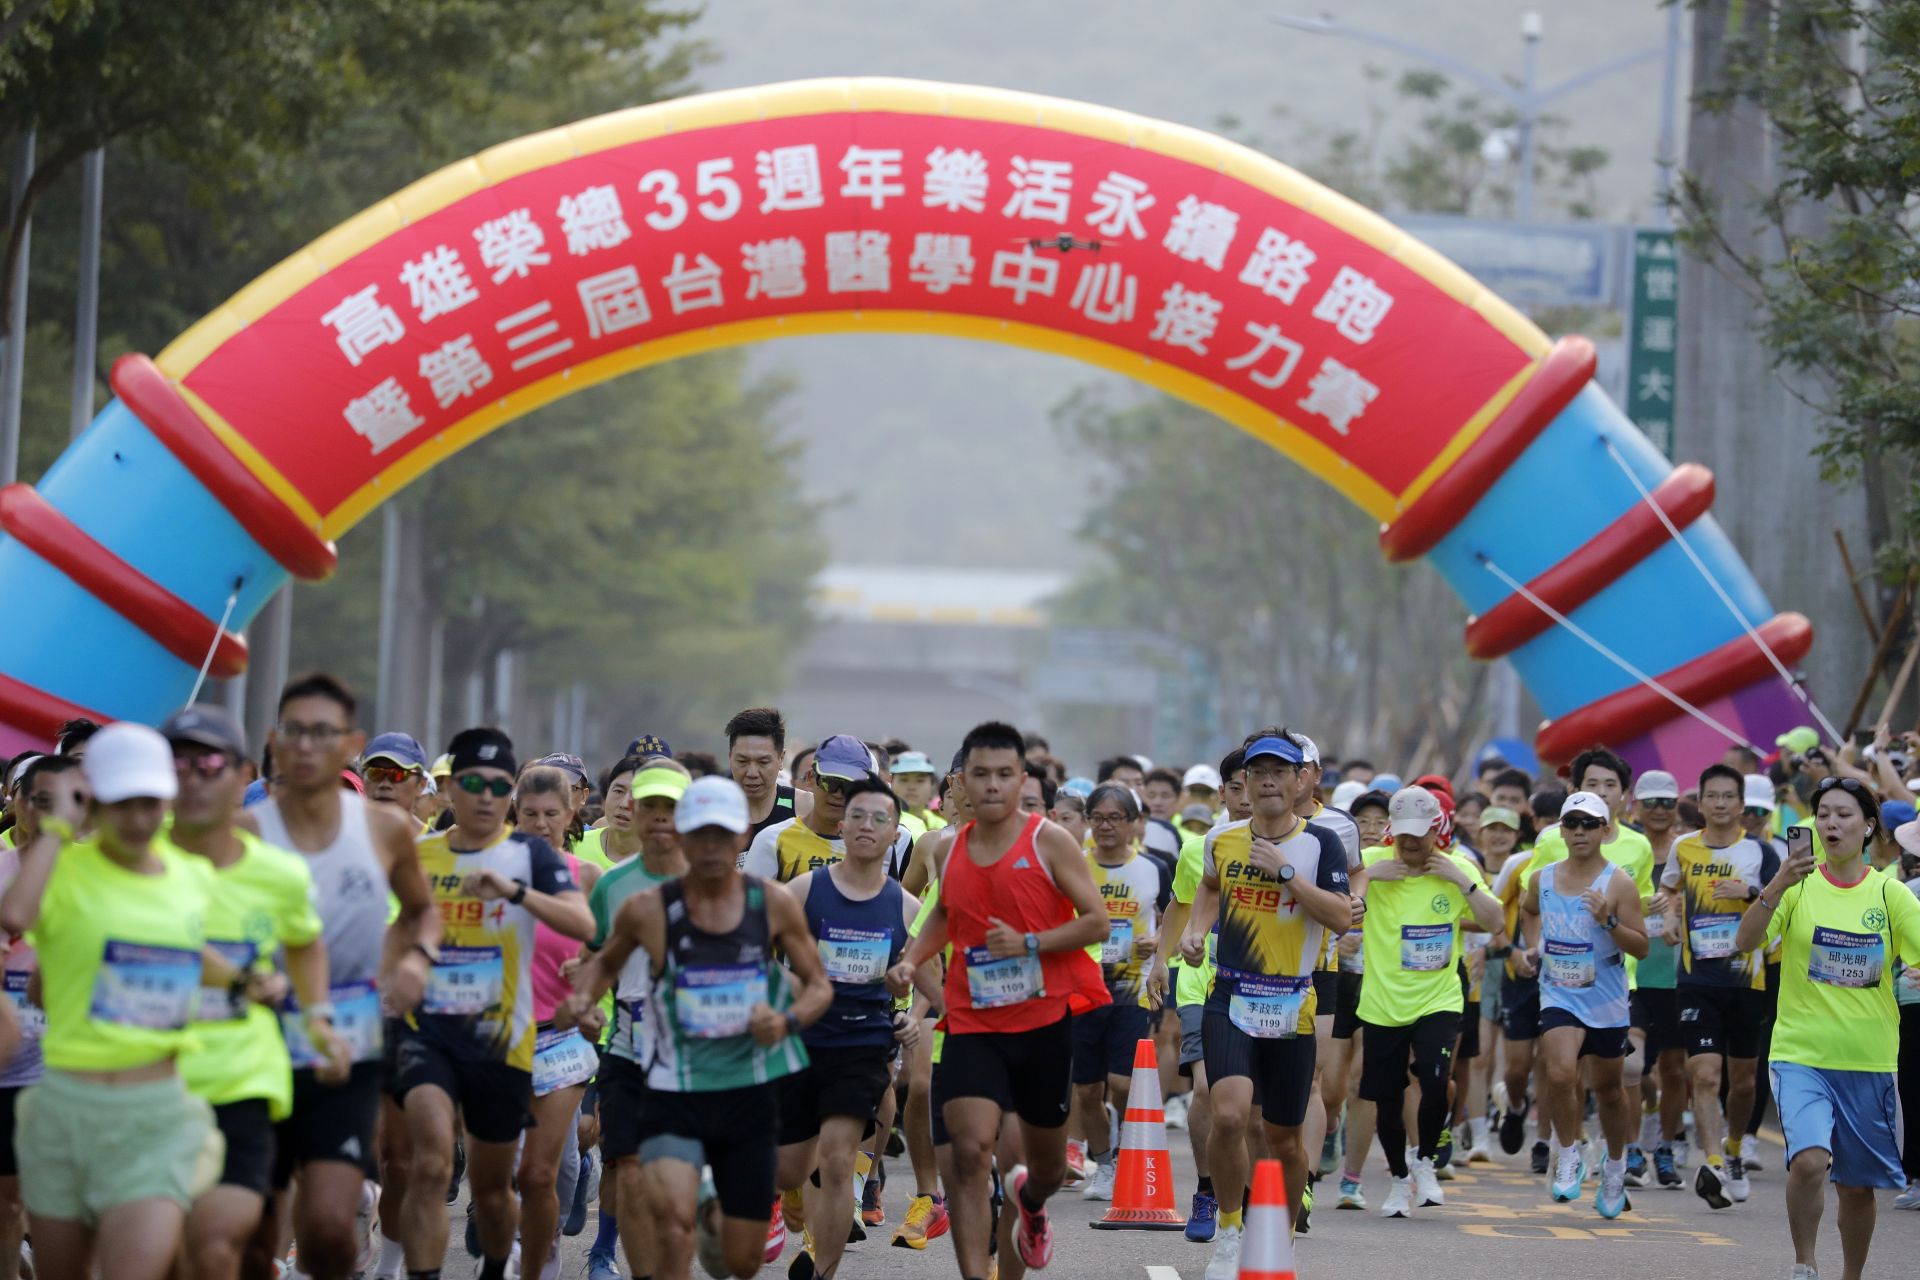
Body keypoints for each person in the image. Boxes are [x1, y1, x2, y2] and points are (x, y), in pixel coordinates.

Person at [557, 776, 833, 1280]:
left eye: (721, 835)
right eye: (699, 834)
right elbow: (600, 963)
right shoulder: (647, 909)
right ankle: (693, 1206)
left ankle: (713, 1207)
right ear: (682, 835)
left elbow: (818, 986)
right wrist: (581, 1002)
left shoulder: (771, 903)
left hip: (745, 1088)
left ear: (742, 837)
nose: (710, 848)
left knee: (742, 1262)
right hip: (671, 1085)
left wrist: (786, 1020)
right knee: (668, 1221)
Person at [887, 721, 1110, 1280]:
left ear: (1021, 780)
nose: (991, 786)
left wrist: (1031, 943)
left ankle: (1031, 1207)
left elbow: (1098, 922)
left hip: (1041, 1025)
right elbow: (943, 912)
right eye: (980, 775)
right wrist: (914, 959)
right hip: (972, 1022)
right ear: (961, 783)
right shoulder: (948, 845)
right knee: (968, 1152)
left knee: (1045, 1169)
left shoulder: (1047, 841)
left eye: (1003, 775)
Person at [0, 723, 223, 1280]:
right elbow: (14, 918)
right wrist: (54, 828)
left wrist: (248, 984)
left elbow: (205, 958)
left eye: (150, 801)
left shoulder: (194, 876)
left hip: (157, 1112)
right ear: (92, 798)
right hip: (64, 1109)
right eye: (121, 801)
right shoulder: (58, 869)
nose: (138, 817)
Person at [247, 674, 437, 1280]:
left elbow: (422, 913)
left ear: (347, 743)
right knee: (255, 1228)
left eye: (323, 733)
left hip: (352, 1035)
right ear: (276, 742)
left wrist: (413, 961)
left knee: (330, 1228)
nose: (307, 746)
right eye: (295, 732)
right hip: (258, 1033)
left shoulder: (385, 831)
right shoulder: (247, 834)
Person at [391, 727, 593, 1280]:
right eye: (472, 783)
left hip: (504, 1040)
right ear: (451, 787)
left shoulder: (528, 856)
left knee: (498, 1190)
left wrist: (515, 893)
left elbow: (583, 922)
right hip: (427, 1031)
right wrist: (400, 969)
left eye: (497, 786)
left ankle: (500, 1266)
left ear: (508, 795)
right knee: (429, 1163)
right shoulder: (420, 854)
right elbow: (400, 926)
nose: (484, 796)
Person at [165, 706, 352, 1280]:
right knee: (164, 1256)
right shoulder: (129, 865)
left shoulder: (279, 873)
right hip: (143, 1085)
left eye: (210, 763)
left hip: (241, 1081)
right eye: (179, 764)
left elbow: (304, 942)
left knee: (219, 1247)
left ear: (242, 774)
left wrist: (317, 1016)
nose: (193, 777)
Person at [1178, 732, 1355, 1277]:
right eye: (1259, 774)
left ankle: (1278, 1232)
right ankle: (1231, 1232)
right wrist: (1196, 930)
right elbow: (1209, 887)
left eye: (1280, 772)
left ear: (1301, 780)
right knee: (1228, 1115)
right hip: (1229, 995)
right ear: (1246, 785)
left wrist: (1285, 873)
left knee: (1283, 1138)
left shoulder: (1320, 844)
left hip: (1291, 1003)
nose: (1269, 781)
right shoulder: (1222, 839)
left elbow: (1341, 917)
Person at [1735, 775, 1920, 1280]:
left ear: (1868, 827)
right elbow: (1745, 941)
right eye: (1823, 814)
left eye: (1844, 814)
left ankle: (1851, 1275)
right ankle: (1805, 1263)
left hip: (1868, 1059)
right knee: (1810, 1162)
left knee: (1857, 1186)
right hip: (1801, 1053)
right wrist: (1777, 884)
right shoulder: (1796, 889)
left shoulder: (1891, 895)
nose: (1831, 823)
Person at [777, 776, 921, 1279]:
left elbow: (929, 978)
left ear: (896, 834)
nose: (867, 826)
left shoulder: (906, 906)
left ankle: (823, 1273)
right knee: (789, 1168)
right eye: (857, 816)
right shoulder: (802, 891)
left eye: (880, 818)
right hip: (799, 1043)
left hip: (863, 1045)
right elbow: (756, 954)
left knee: (838, 1161)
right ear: (841, 826)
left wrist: (912, 1017)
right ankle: (791, 1193)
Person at [1356, 786, 1502, 1218]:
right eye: (1402, 832)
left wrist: (1462, 880)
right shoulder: (1370, 865)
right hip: (1383, 1001)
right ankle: (1400, 1177)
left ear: (1436, 829)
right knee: (1387, 1097)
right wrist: (1366, 880)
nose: (1410, 841)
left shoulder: (1456, 868)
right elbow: (1336, 903)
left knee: (1437, 1082)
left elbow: (1495, 922)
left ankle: (1425, 1163)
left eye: (1419, 832)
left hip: (1439, 997)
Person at [573, 762, 690, 1280]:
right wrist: (584, 999)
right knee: (630, 1169)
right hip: (627, 1047)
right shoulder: (613, 885)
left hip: (698, 1059)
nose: (661, 819)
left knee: (681, 1185)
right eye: (652, 808)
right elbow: (594, 957)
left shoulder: (718, 884)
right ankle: (611, 1255)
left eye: (673, 809)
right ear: (633, 815)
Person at [1518, 791, 1649, 1217]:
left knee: (1610, 1091)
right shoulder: (1544, 877)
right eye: (1572, 824)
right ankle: (1570, 1154)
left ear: (1605, 831)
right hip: (1558, 990)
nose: (1579, 832)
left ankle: (1614, 1167)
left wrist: (1608, 921)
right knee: (1558, 1074)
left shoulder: (1618, 883)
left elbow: (1642, 947)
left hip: (1606, 996)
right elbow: (1528, 910)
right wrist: (1532, 947)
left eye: (1589, 824)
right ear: (1561, 829)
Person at [1661, 763, 1779, 1209]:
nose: (1722, 804)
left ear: (1741, 803)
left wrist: (1749, 892)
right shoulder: (1683, 847)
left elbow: (1780, 901)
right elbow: (1669, 889)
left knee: (1744, 1082)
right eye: (1713, 795)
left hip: (1748, 978)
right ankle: (1711, 1162)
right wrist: (1671, 918)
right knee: (1704, 1073)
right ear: (1701, 801)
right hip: (1697, 978)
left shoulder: (1761, 852)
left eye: (1730, 796)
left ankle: (1733, 1149)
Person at [508, 764, 604, 1280]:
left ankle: (542, 1254)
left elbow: (614, 950)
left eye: (552, 814)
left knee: (554, 1168)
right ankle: (515, 1250)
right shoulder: (492, 871)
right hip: (498, 1035)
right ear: (515, 814)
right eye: (530, 814)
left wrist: (589, 976)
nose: (541, 823)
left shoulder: (588, 877)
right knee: (507, 1165)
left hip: (560, 1036)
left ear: (571, 814)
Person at [0, 753, 78, 1279]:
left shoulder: (100, 874)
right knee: (7, 1201)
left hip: (75, 1057)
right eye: (37, 797)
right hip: (10, 1052)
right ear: (18, 802)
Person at [1074, 784, 1164, 1203]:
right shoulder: (1073, 865)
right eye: (1098, 818)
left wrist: (1158, 943)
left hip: (1132, 988)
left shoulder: (1153, 868)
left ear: (1133, 824)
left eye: (1115, 818)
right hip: (1082, 988)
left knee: (1123, 1082)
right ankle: (1105, 1163)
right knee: (1088, 1091)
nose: (1105, 826)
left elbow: (1175, 918)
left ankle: (1128, 1152)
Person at [1631, 770, 1691, 1189]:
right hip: (1633, 975)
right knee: (1633, 1068)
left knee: (1674, 1069)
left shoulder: (1689, 853)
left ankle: (1666, 1148)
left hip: (1677, 976)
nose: (1658, 810)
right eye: (1650, 802)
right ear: (1635, 806)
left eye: (1666, 802)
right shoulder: (1627, 852)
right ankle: (1631, 1147)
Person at [743, 735, 871, 883]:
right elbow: (750, 902)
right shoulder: (772, 840)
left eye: (850, 786)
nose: (838, 794)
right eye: (829, 782)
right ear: (810, 778)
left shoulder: (876, 844)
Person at [727, 708, 806, 841]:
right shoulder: (713, 811)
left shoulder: (805, 807)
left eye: (763, 762)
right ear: (730, 758)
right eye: (742, 761)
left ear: (781, 759)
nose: (752, 773)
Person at [360, 733, 433, 831]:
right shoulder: (342, 839)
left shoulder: (436, 844)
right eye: (376, 773)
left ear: (421, 785)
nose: (384, 784)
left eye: (398, 774)